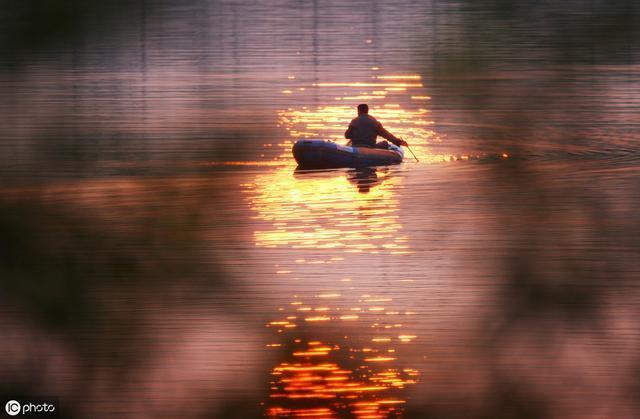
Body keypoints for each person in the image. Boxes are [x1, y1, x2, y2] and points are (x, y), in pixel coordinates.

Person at [344, 104, 408, 149]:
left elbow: (347, 136)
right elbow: (386, 135)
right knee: (385, 143)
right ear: (367, 110)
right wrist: (398, 141)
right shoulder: (374, 122)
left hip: (356, 146)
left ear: (358, 111)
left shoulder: (354, 121)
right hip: (370, 147)